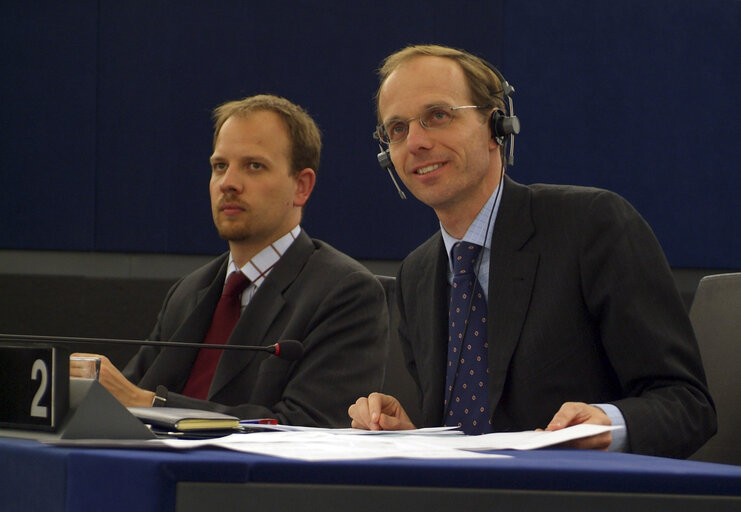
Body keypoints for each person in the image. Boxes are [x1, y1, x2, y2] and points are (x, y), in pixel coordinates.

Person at [348, 44, 716, 458]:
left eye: (437, 116)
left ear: (495, 126)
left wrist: (609, 423)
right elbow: (468, 438)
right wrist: (409, 433)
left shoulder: (591, 225)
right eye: (397, 129)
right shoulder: (418, 273)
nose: (415, 142)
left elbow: (688, 406)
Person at [71, 94, 388, 427]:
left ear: (301, 186)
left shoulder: (344, 293)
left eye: (254, 166)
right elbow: (125, 394)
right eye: (219, 166)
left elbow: (308, 425)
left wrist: (153, 404)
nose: (228, 184)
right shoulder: (190, 290)